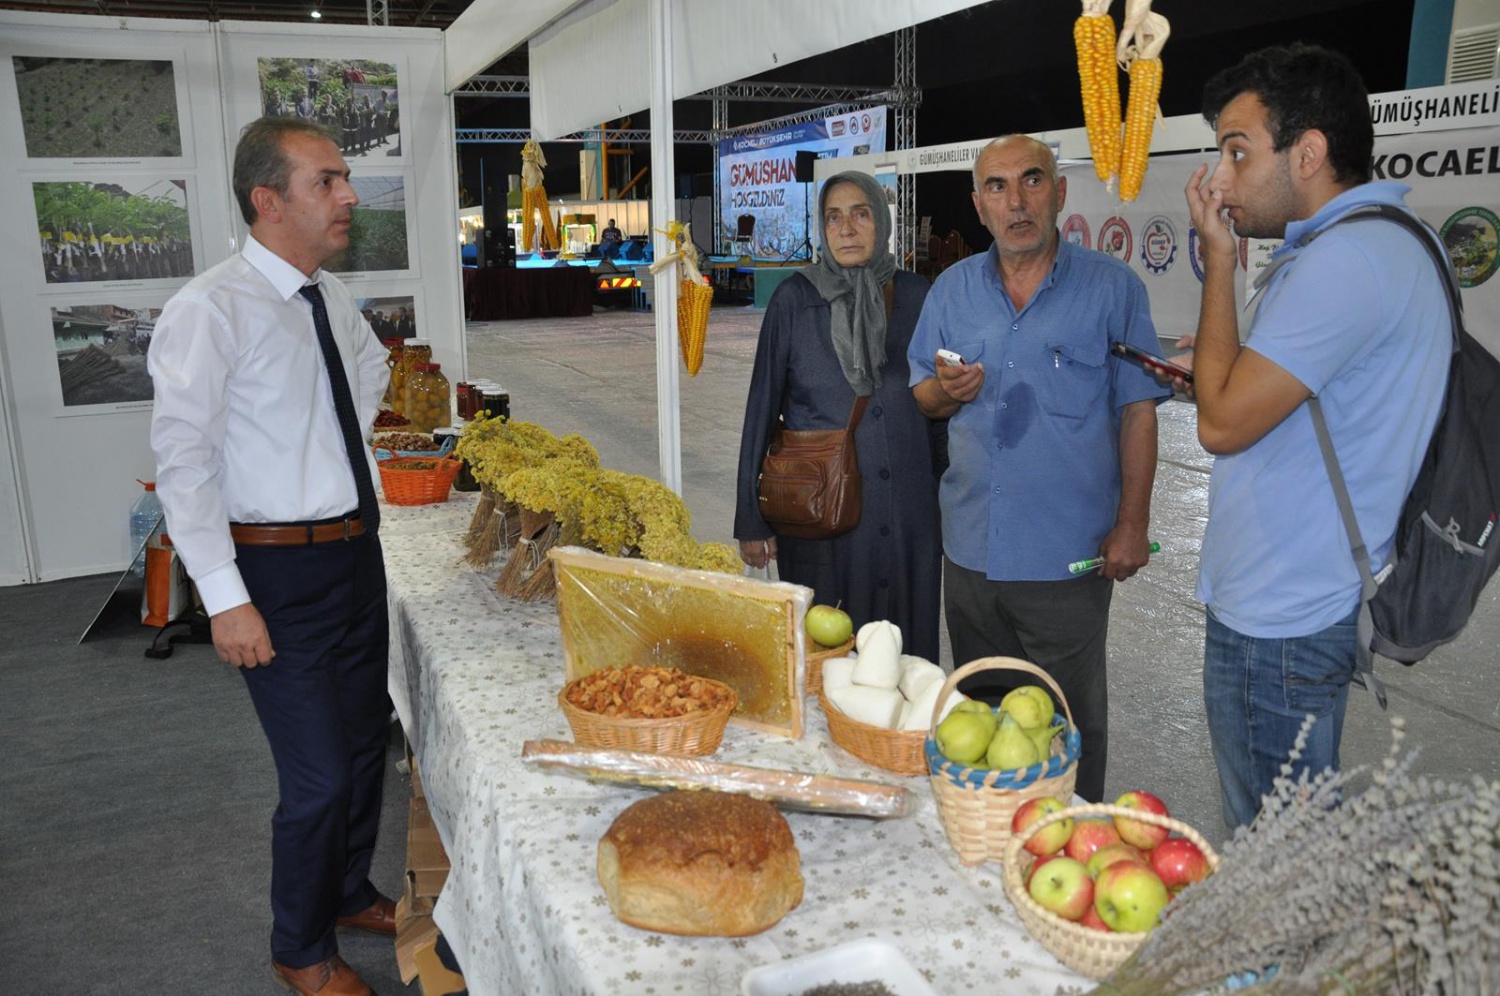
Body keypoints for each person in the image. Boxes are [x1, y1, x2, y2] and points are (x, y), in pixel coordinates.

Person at [147, 117, 394, 996]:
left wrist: (327, 461)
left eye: (343, 180)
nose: (348, 196)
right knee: (319, 777)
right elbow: (184, 464)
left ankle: (348, 888)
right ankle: (298, 947)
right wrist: (225, 596)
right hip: (275, 577)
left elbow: (367, 377)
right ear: (268, 199)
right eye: (326, 181)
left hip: (355, 559)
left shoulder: (326, 296)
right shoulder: (208, 310)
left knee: (367, 747)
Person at [1177, 44, 1449, 830]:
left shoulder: (1351, 260)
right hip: (1289, 605)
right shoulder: (1371, 242)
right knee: (1285, 850)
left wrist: (1220, 261)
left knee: (1274, 864)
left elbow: (1223, 423)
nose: (1221, 179)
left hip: (1282, 622)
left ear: (1309, 151)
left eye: (1237, 150)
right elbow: (1266, 393)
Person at [907, 135, 1170, 803]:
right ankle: (991, 841)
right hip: (971, 553)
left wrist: (1132, 523)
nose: (1015, 200)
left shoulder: (1113, 290)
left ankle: (1073, 841)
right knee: (983, 724)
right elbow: (922, 395)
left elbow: (1139, 411)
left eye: (1031, 181)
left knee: (1068, 726)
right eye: (997, 187)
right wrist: (947, 391)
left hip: (1069, 559)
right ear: (978, 204)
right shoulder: (953, 290)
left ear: (1060, 193)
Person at [735, 170, 943, 662]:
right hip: (821, 511)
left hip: (908, 511)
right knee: (829, 652)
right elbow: (761, 406)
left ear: (883, 221)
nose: (846, 228)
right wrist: (750, 517)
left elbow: (943, 409)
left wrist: (947, 498)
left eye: (860, 213)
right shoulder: (795, 298)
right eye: (833, 217)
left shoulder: (918, 296)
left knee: (904, 657)